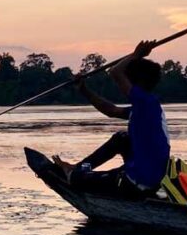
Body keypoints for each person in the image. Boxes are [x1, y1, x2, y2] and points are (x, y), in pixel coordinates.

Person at [52, 40, 170, 198]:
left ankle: (74, 173)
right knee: (121, 139)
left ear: (138, 82)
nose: (126, 82)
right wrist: (84, 91)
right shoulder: (146, 108)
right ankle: (79, 167)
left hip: (140, 182)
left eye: (130, 79)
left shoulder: (145, 103)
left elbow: (115, 72)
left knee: (75, 179)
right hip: (147, 171)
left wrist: (137, 55)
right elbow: (112, 110)